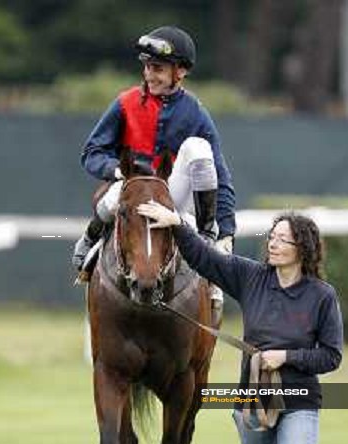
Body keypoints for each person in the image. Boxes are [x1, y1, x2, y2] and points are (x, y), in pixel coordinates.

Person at [135, 202, 344, 444]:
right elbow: (205, 258)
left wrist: (287, 357)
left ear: (303, 249)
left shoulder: (322, 296)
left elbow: (331, 356)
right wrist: (177, 224)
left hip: (299, 401)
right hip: (250, 399)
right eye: (272, 237)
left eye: (283, 239)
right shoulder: (251, 277)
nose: (273, 244)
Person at [72, 25, 236, 313]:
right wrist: (115, 171)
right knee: (111, 199)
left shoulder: (195, 112)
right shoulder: (124, 103)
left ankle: (208, 237)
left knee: (198, 149)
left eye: (158, 68)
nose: (149, 75)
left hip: (172, 194)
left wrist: (227, 231)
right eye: (147, 67)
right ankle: (90, 239)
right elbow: (91, 152)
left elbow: (220, 175)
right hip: (130, 186)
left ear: (181, 71)